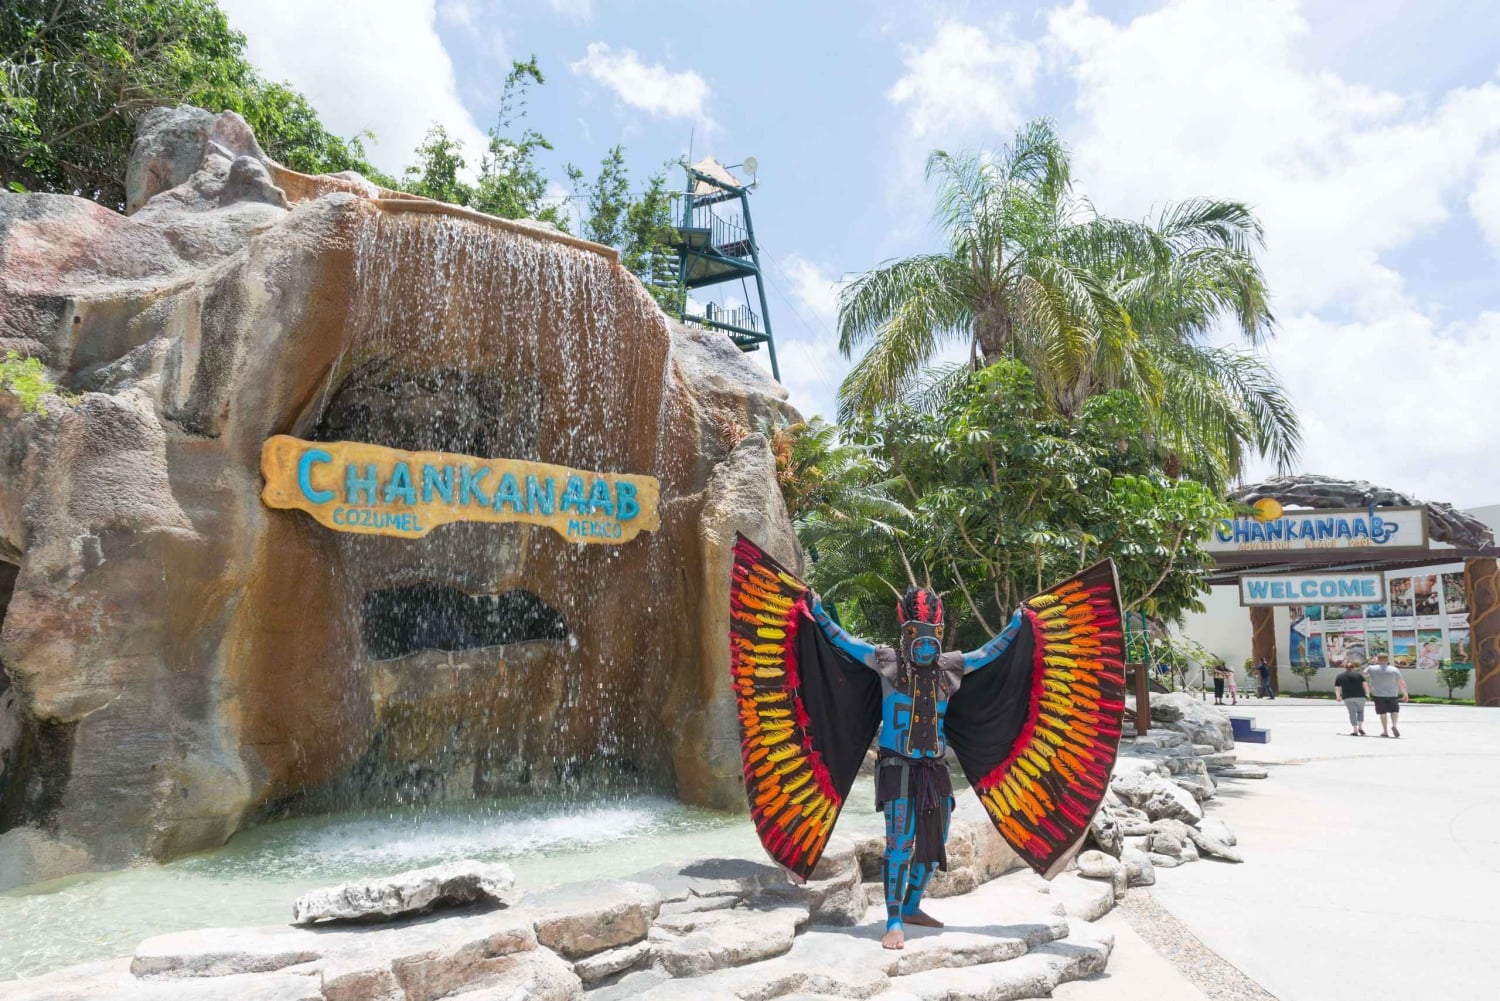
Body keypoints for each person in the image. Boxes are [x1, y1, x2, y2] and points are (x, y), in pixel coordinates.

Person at [728, 535, 1126, 951]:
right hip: (897, 765)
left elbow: (990, 652)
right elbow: (839, 640)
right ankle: (894, 919)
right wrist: (817, 611)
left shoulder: (950, 667)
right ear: (906, 632)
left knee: (935, 843)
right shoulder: (885, 662)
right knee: (899, 841)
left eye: (930, 636)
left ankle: (913, 904)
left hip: (933, 768)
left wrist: (1018, 624)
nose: (925, 644)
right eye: (919, 635)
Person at [1365, 653, 1409, 737]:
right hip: (1392, 694)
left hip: (1378, 695)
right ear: (1387, 660)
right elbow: (1401, 683)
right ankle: (1394, 725)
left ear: (1377, 659)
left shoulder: (1371, 668)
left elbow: (1362, 674)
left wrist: (1372, 664)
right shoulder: (1394, 669)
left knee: (1382, 713)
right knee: (1394, 711)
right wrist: (1405, 694)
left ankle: (1385, 731)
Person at [1334, 662, 1370, 735]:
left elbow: (1337, 687)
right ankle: (1360, 727)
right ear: (1353, 667)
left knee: (1352, 713)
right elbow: (1365, 685)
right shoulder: (1359, 675)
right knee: (1360, 711)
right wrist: (1367, 694)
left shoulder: (1340, 676)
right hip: (1360, 696)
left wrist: (1338, 696)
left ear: (1345, 667)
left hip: (1348, 697)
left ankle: (1355, 730)